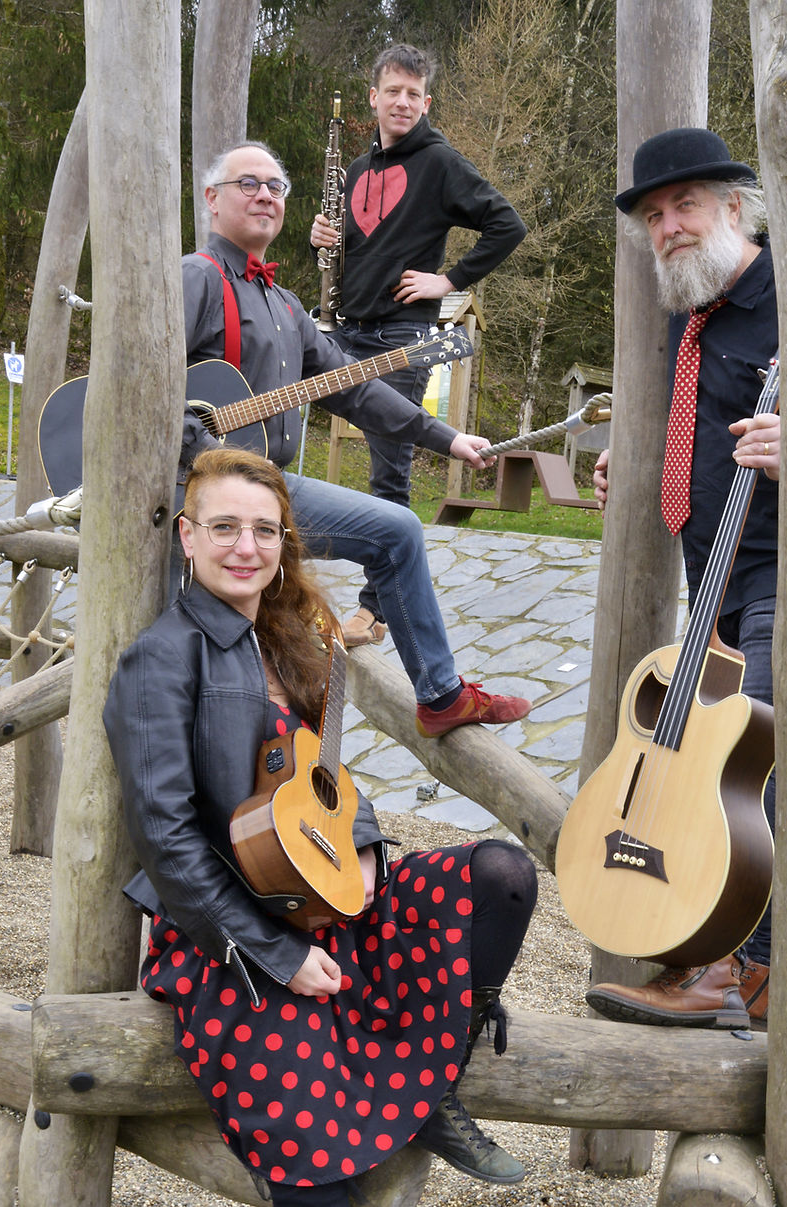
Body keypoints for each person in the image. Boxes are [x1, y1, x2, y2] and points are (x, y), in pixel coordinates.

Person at [103, 448, 539, 1206]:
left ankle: (431, 1087)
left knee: (502, 876)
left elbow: (326, 777)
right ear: (187, 534)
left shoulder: (291, 638)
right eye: (226, 527)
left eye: (265, 531)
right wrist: (276, 953)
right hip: (229, 934)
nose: (247, 547)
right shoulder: (160, 660)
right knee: (317, 1159)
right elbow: (167, 840)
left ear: (284, 543)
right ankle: (395, 1093)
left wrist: (365, 851)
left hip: (327, 890)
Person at [585, 128, 787, 1031]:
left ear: (732, 207)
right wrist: (630, 467)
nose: (668, 225)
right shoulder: (688, 308)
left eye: (683, 205)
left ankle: (740, 972)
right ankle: (719, 957)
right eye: (653, 215)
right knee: (704, 771)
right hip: (706, 580)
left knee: (753, 775)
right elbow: (696, 434)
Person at [182, 139, 530, 740]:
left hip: (271, 490)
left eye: (276, 186)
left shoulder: (285, 306)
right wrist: (196, 448)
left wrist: (446, 439)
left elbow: (359, 391)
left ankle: (440, 696)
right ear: (212, 200)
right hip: (191, 499)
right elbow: (135, 381)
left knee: (398, 530)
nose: (265, 194)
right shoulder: (194, 278)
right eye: (249, 183)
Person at [310, 44, 526, 647]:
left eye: (414, 93)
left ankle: (375, 610)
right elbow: (349, 252)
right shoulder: (353, 170)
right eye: (393, 91)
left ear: (425, 102)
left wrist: (449, 280)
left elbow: (507, 224)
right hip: (345, 330)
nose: (402, 102)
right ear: (373, 98)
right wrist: (319, 239)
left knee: (388, 472)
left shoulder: (440, 163)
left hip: (403, 337)